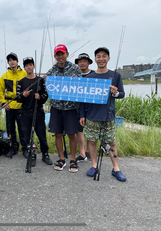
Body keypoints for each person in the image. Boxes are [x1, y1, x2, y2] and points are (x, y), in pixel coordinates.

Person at [79, 47, 126, 182]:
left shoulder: (115, 75)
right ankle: (94, 166)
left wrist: (115, 93)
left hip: (108, 116)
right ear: (95, 59)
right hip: (92, 116)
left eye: (104, 56)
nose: (101, 59)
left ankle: (116, 168)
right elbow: (83, 99)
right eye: (98, 56)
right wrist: (82, 115)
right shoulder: (89, 77)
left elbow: (122, 94)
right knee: (92, 142)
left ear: (108, 58)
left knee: (111, 143)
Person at [43, 44, 82, 172]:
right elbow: (46, 86)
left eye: (62, 54)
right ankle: (61, 159)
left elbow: (81, 86)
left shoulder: (75, 68)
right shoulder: (51, 71)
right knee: (58, 134)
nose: (60, 56)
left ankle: (72, 159)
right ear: (55, 56)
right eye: (57, 54)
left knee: (72, 134)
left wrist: (78, 80)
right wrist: (44, 80)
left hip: (71, 108)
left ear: (67, 54)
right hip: (56, 107)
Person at [17, 57, 52, 166]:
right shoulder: (21, 82)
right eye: (26, 65)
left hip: (38, 112)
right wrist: (23, 95)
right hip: (25, 113)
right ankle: (31, 154)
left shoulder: (41, 80)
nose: (28, 67)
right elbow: (18, 98)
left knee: (42, 135)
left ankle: (45, 154)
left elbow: (46, 96)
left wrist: (40, 97)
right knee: (27, 136)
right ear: (24, 68)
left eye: (30, 64)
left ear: (33, 66)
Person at [0, 52, 27, 157]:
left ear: (17, 61)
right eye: (10, 60)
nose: (12, 62)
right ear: (8, 63)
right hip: (9, 107)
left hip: (21, 107)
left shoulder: (24, 74)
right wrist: (3, 103)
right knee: (11, 130)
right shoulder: (4, 76)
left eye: (13, 60)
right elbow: (0, 91)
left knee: (22, 129)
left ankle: (25, 148)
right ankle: (13, 147)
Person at [74, 53, 95, 162]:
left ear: (89, 62)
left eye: (84, 61)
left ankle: (88, 150)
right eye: (80, 61)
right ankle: (82, 153)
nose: (82, 63)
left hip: (91, 106)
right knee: (79, 129)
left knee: (90, 129)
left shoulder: (94, 75)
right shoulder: (75, 75)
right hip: (78, 106)